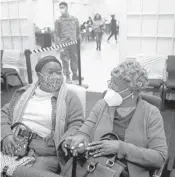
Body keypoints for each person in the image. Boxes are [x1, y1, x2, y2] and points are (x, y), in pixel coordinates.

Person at [63, 60, 168, 177]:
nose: (109, 88)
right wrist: (80, 139)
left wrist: (120, 148)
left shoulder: (151, 114)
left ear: (132, 90)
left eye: (114, 85)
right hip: (94, 168)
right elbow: (85, 132)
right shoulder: (102, 105)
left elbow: (159, 157)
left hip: (128, 172)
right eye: (110, 83)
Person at [1, 56, 84, 177]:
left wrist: (67, 139)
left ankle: (10, 169)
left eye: (59, 72)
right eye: (50, 72)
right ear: (39, 75)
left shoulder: (69, 98)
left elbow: (77, 124)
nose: (55, 76)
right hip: (15, 144)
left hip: (45, 153)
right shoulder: (23, 93)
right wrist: (6, 134)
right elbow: (3, 114)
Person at [54, 2, 80, 81]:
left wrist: (79, 41)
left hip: (73, 42)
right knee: (65, 60)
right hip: (64, 43)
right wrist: (59, 46)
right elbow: (56, 34)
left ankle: (75, 74)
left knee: (74, 58)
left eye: (63, 7)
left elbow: (78, 32)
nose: (61, 9)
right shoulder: (58, 21)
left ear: (67, 8)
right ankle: (67, 76)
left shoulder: (74, 19)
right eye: (60, 7)